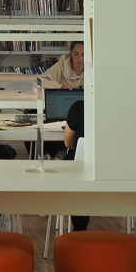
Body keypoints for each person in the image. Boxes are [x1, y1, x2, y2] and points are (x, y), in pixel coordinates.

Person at [62, 99, 89, 231]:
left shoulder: (80, 107)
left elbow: (68, 143)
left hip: (83, 169)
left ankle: (79, 228)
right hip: (119, 172)